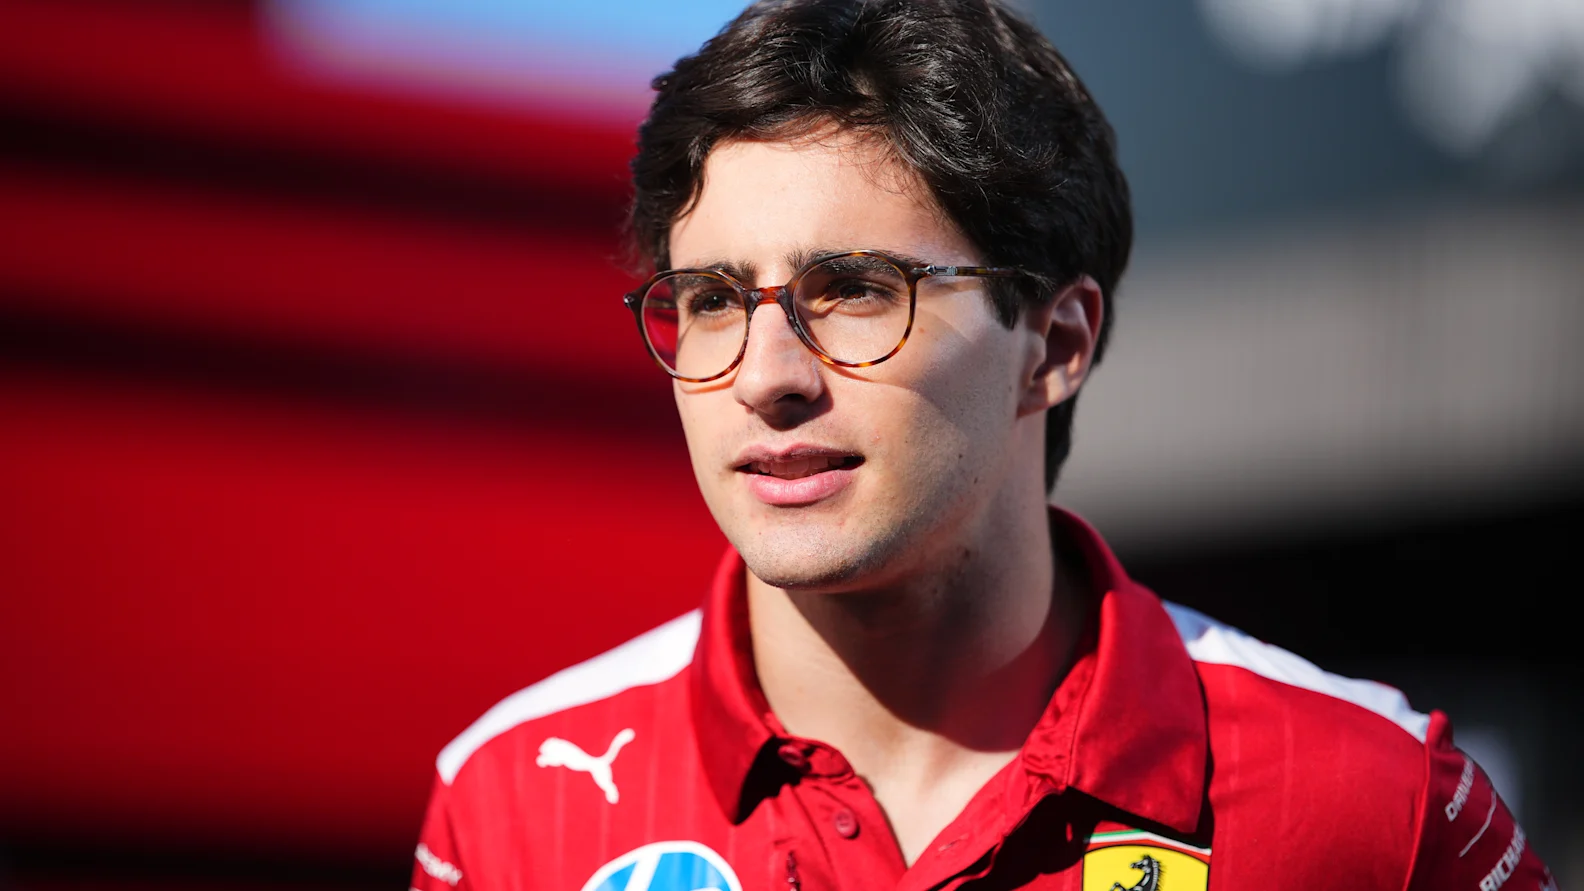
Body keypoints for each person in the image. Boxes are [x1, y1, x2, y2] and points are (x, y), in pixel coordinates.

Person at [411, 1, 1555, 889]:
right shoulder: (515, 800)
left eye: (855, 290)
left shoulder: (1378, 802)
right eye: (711, 299)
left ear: (1055, 343)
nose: (763, 377)